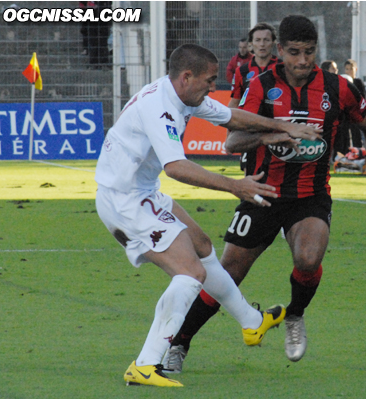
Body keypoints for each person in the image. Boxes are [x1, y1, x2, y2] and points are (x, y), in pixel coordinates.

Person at [164, 15, 366, 371]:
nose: (303, 61)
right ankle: (179, 343)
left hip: (310, 196)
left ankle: (294, 315)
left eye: (310, 52)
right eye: (295, 53)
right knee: (228, 272)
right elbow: (233, 141)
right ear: (281, 50)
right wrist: (274, 133)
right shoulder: (261, 86)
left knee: (309, 257)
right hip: (261, 192)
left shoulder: (339, 88)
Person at [95, 43, 321, 387]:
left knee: (201, 245)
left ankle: (250, 321)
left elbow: (230, 116)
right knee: (190, 273)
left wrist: (281, 127)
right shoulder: (159, 108)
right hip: (124, 203)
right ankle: (145, 364)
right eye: (209, 80)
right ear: (187, 77)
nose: (212, 87)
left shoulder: (183, 95)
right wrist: (235, 186)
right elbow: (176, 168)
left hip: (142, 193)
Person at [228, 23, 280, 171]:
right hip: (250, 130)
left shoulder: (283, 68)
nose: (262, 44)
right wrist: (228, 133)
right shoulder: (242, 71)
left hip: (276, 129)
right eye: (257, 40)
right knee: (250, 172)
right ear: (251, 44)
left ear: (273, 43)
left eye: (266, 40)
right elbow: (235, 102)